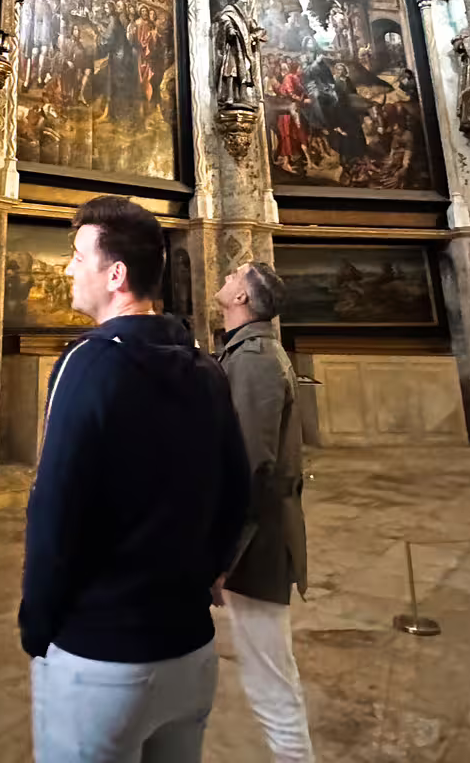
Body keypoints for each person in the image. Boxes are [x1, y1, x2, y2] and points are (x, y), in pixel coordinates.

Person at [21, 195, 251, 763]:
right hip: (191, 650)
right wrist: (203, 578)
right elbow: (238, 493)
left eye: (78, 256)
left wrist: (38, 625)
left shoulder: (89, 363)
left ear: (116, 274)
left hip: (103, 656)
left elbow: (54, 509)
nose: (69, 268)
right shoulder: (204, 367)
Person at [213, 262, 315, 763]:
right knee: (266, 667)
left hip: (258, 543)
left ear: (243, 301)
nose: (228, 275)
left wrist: (222, 553)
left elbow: (252, 463)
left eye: (236, 274)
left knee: (269, 674)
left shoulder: (253, 357)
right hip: (253, 538)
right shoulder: (244, 349)